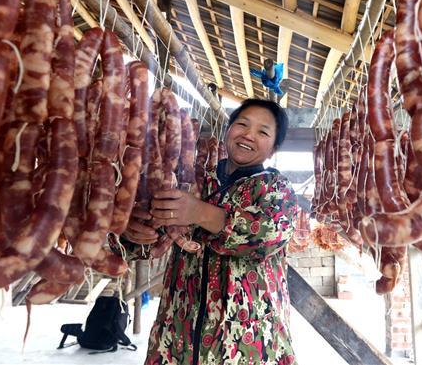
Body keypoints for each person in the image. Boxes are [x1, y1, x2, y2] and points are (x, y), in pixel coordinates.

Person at [124, 99, 298, 365]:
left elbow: (267, 234)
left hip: (248, 343)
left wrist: (199, 213)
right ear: (228, 130)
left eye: (263, 132)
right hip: (177, 335)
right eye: (241, 124)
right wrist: (132, 234)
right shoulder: (192, 180)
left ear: (273, 148)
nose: (249, 135)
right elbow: (153, 237)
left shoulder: (275, 188)